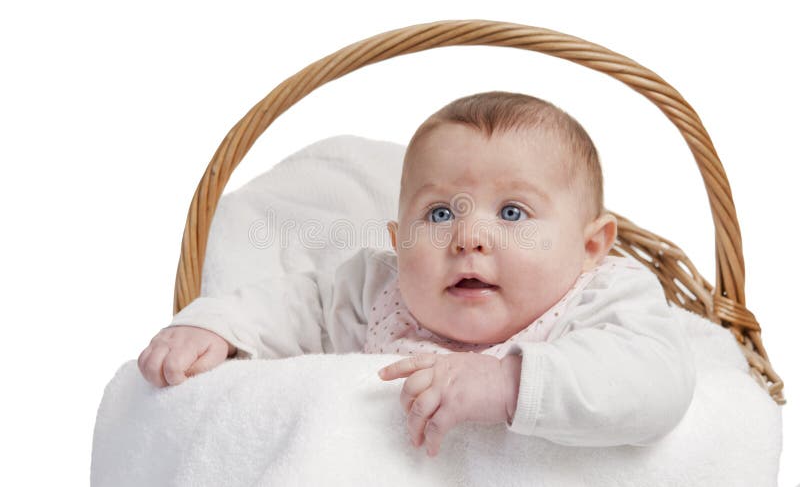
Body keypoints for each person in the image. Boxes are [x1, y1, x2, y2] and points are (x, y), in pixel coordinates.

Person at [138, 91, 696, 457]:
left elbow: (654, 381)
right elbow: (294, 305)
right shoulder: (378, 289)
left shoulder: (604, 295)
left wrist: (508, 384)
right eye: (439, 214)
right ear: (397, 242)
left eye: (512, 213)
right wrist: (215, 327)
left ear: (590, 245)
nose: (469, 236)